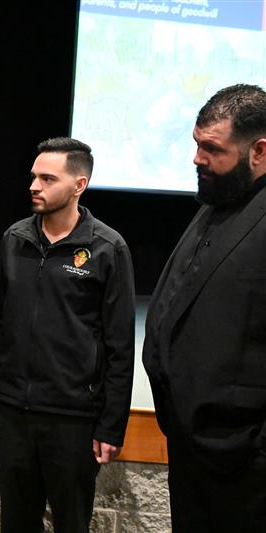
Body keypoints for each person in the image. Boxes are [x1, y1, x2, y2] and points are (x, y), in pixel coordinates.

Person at [0, 137, 135, 532]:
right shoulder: (15, 240)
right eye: (33, 177)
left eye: (48, 179)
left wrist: (112, 424)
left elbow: (120, 346)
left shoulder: (106, 248)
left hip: (73, 420)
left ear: (79, 185)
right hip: (14, 412)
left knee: (71, 523)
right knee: (16, 522)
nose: (34, 186)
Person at [142, 84, 266, 532]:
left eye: (212, 148)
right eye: (196, 144)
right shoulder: (219, 199)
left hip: (244, 469)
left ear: (260, 150)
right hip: (193, 452)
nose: (197, 158)